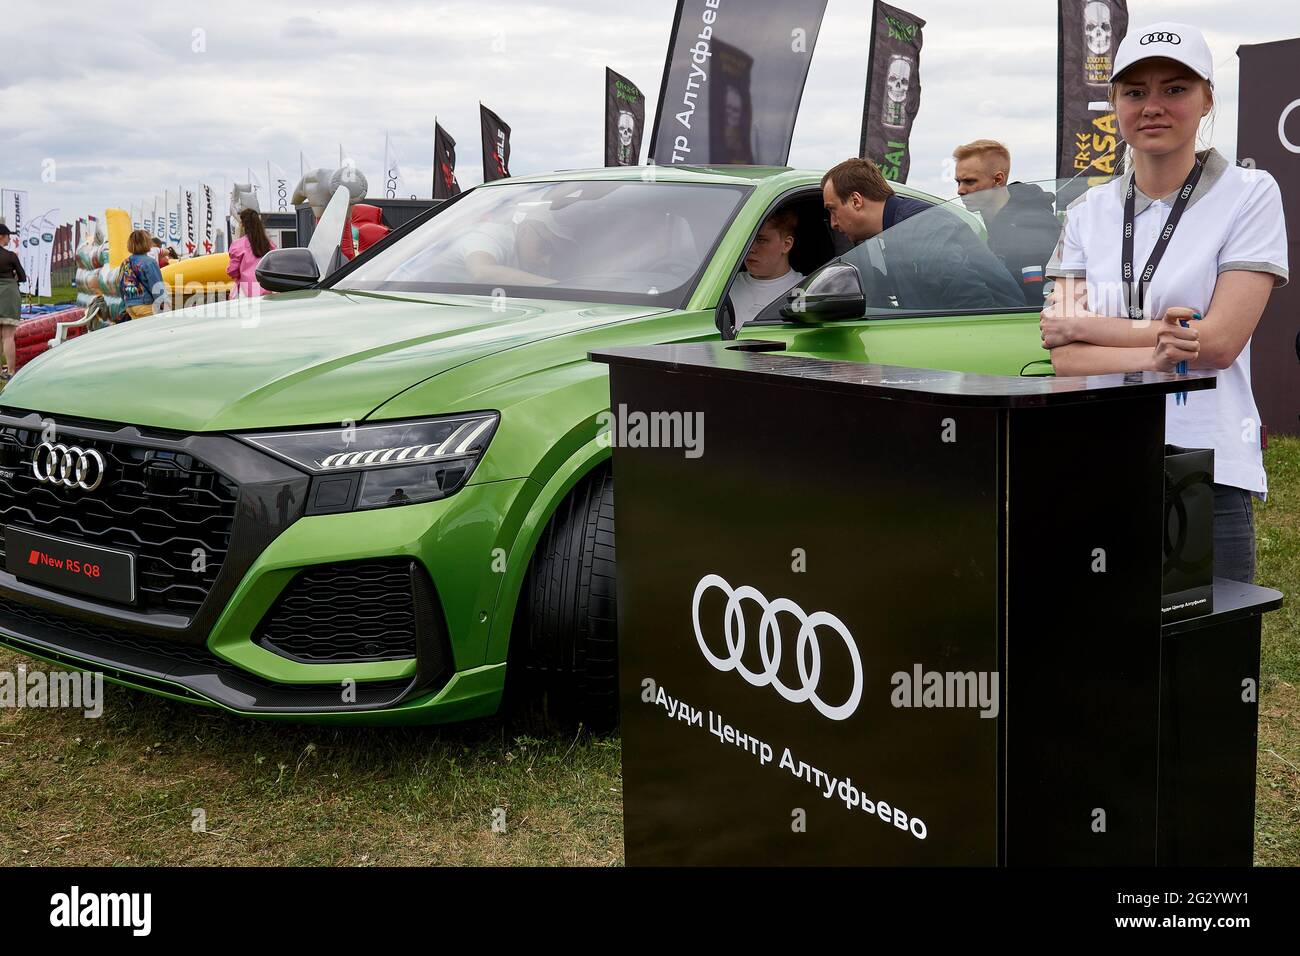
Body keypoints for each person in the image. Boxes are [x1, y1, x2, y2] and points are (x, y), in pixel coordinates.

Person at [1041, 22, 1289, 584]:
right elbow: (1064, 355)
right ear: (1115, 103)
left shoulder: (1250, 193)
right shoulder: (1086, 212)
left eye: (1175, 89)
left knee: (1206, 633)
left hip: (1208, 461)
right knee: (1104, 627)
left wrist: (1090, 327)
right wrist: (1158, 348)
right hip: (1103, 455)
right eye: (1135, 92)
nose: (1153, 106)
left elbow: (1218, 344)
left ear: (1206, 99)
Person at [821, 157, 1025, 310]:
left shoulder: (921, 227)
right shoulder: (900, 227)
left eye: (832, 209)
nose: (833, 223)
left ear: (856, 201)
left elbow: (971, 302)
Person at [953, 139, 1063, 305]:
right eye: (958, 182)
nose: (960, 190)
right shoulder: (1002, 226)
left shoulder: (1030, 231)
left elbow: (1037, 303)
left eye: (970, 181)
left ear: (998, 180)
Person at [732, 209, 804, 330]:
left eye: (761, 240)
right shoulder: (725, 288)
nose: (750, 248)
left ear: (786, 244)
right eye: (747, 239)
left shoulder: (806, 289)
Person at [226, 208, 275, 297]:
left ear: (243, 225)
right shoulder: (270, 245)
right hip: (266, 289)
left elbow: (232, 271)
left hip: (246, 291)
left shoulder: (238, 245)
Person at [117, 229, 165, 320]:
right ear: (148, 243)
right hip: (146, 305)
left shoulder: (125, 262)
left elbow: (120, 285)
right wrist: (163, 304)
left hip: (130, 306)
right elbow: (156, 286)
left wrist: (126, 302)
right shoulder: (150, 262)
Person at [0, 224, 26, 380]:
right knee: (8, 336)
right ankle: (10, 372)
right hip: (8, 294)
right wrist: (14, 276)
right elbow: (22, 276)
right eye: (8, 236)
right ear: (1, 236)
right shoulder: (10, 256)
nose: (9, 239)